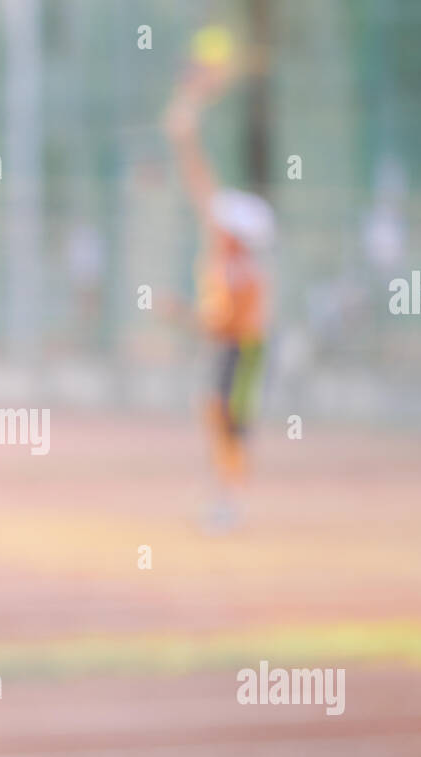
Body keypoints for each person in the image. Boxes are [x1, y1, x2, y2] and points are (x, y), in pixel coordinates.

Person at [164, 30, 275, 532]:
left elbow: (216, 323)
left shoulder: (235, 268)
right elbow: (196, 173)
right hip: (240, 344)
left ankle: (229, 502)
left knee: (229, 419)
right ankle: (226, 498)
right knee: (220, 414)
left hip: (243, 345)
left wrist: (175, 315)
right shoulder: (234, 257)